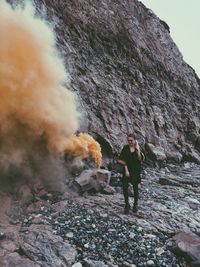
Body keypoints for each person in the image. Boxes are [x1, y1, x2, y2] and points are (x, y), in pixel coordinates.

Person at [118, 133, 144, 214]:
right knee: (125, 187)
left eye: (131, 140)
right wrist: (126, 169)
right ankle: (127, 205)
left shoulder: (138, 149)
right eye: (128, 140)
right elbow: (120, 159)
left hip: (135, 171)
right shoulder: (125, 148)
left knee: (135, 188)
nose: (130, 142)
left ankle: (135, 204)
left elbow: (140, 159)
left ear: (135, 140)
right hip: (127, 170)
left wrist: (138, 149)